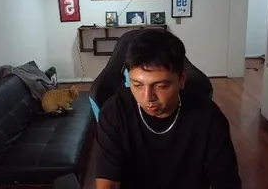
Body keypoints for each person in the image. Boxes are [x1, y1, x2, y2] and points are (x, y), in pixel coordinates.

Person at [94, 30, 241, 189]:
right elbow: (107, 182)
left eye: (160, 86)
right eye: (137, 85)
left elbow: (225, 182)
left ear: (182, 79)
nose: (148, 97)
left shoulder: (208, 116)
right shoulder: (115, 112)